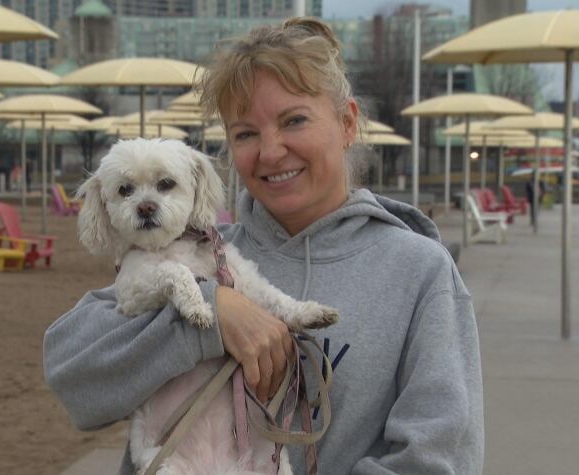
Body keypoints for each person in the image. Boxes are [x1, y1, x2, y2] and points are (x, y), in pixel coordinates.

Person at [44, 17, 483, 475]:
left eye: (294, 120)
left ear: (348, 123)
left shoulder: (418, 271)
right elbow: (73, 380)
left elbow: (438, 456)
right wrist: (213, 316)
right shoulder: (195, 254)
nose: (270, 151)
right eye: (246, 133)